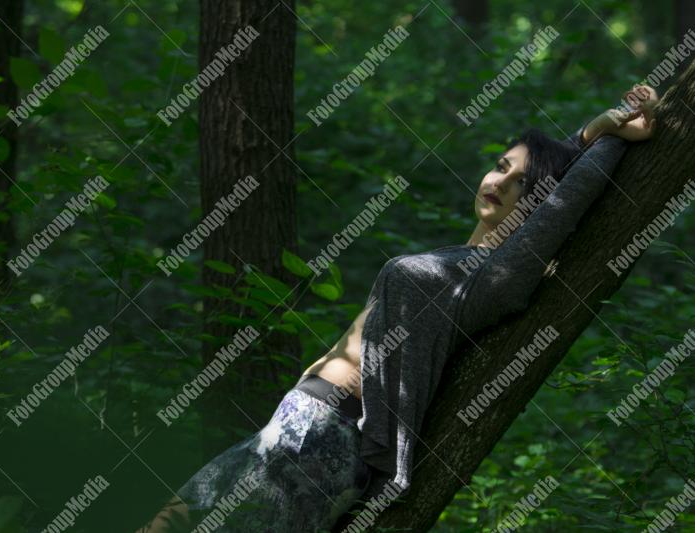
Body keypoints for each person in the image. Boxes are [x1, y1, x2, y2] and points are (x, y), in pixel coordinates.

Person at [136, 84, 659, 532]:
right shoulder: (458, 259)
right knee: (170, 515)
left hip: (328, 436)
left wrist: (612, 139)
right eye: (500, 167)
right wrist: (591, 131)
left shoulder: (494, 279)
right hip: (295, 420)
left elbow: (568, 201)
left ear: (538, 202)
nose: (498, 182)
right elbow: (556, 171)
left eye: (520, 183)